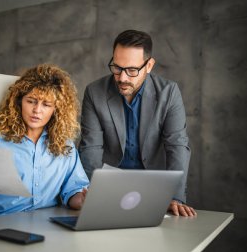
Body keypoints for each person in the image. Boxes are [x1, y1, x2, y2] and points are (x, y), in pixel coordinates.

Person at [79, 30, 196, 217]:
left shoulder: (169, 92)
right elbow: (90, 147)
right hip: (108, 189)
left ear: (149, 65)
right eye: (117, 67)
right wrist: (87, 192)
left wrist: (175, 196)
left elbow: (177, 145)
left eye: (132, 70)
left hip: (154, 189)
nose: (122, 78)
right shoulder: (95, 92)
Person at [0, 64, 89, 221]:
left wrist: (83, 200)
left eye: (46, 104)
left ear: (56, 110)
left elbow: (74, 191)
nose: (37, 110)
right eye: (31, 101)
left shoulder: (65, 146)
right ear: (19, 102)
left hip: (45, 226)